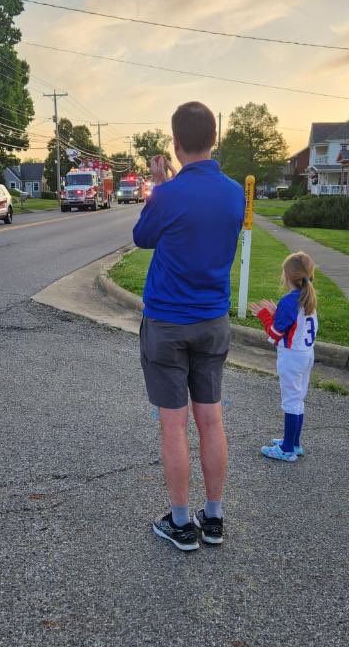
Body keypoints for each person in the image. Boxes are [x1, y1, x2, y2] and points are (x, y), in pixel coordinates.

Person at [133, 101, 245, 552]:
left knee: (174, 426)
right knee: (211, 420)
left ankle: (181, 523)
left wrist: (160, 188)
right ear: (214, 138)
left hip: (167, 322)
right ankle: (213, 518)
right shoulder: (235, 192)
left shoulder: (171, 194)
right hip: (212, 320)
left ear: (176, 144)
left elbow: (143, 237)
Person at [250, 251, 318, 462]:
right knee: (298, 400)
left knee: (290, 401)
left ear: (287, 276)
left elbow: (276, 333)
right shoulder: (306, 297)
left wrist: (264, 316)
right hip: (306, 354)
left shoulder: (290, 300)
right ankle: (294, 443)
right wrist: (276, 311)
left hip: (292, 357)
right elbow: (292, 323)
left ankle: (287, 449)